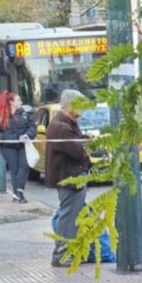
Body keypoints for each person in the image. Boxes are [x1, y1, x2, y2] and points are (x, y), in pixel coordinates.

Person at [45, 90, 91, 267]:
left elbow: (78, 143)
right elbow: (79, 151)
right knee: (68, 217)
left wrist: (84, 140)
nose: (81, 112)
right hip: (69, 179)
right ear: (70, 106)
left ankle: (69, 251)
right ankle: (61, 253)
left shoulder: (65, 124)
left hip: (72, 178)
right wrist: (88, 144)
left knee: (72, 216)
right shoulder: (62, 127)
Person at [0, 91, 34, 203]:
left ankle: (19, 192)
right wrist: (1, 137)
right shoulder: (0, 114)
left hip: (22, 144)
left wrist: (28, 135)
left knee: (24, 167)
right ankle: (18, 195)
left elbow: (32, 127)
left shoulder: (25, 114)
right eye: (18, 100)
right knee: (14, 170)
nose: (21, 102)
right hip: (8, 146)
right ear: (11, 102)